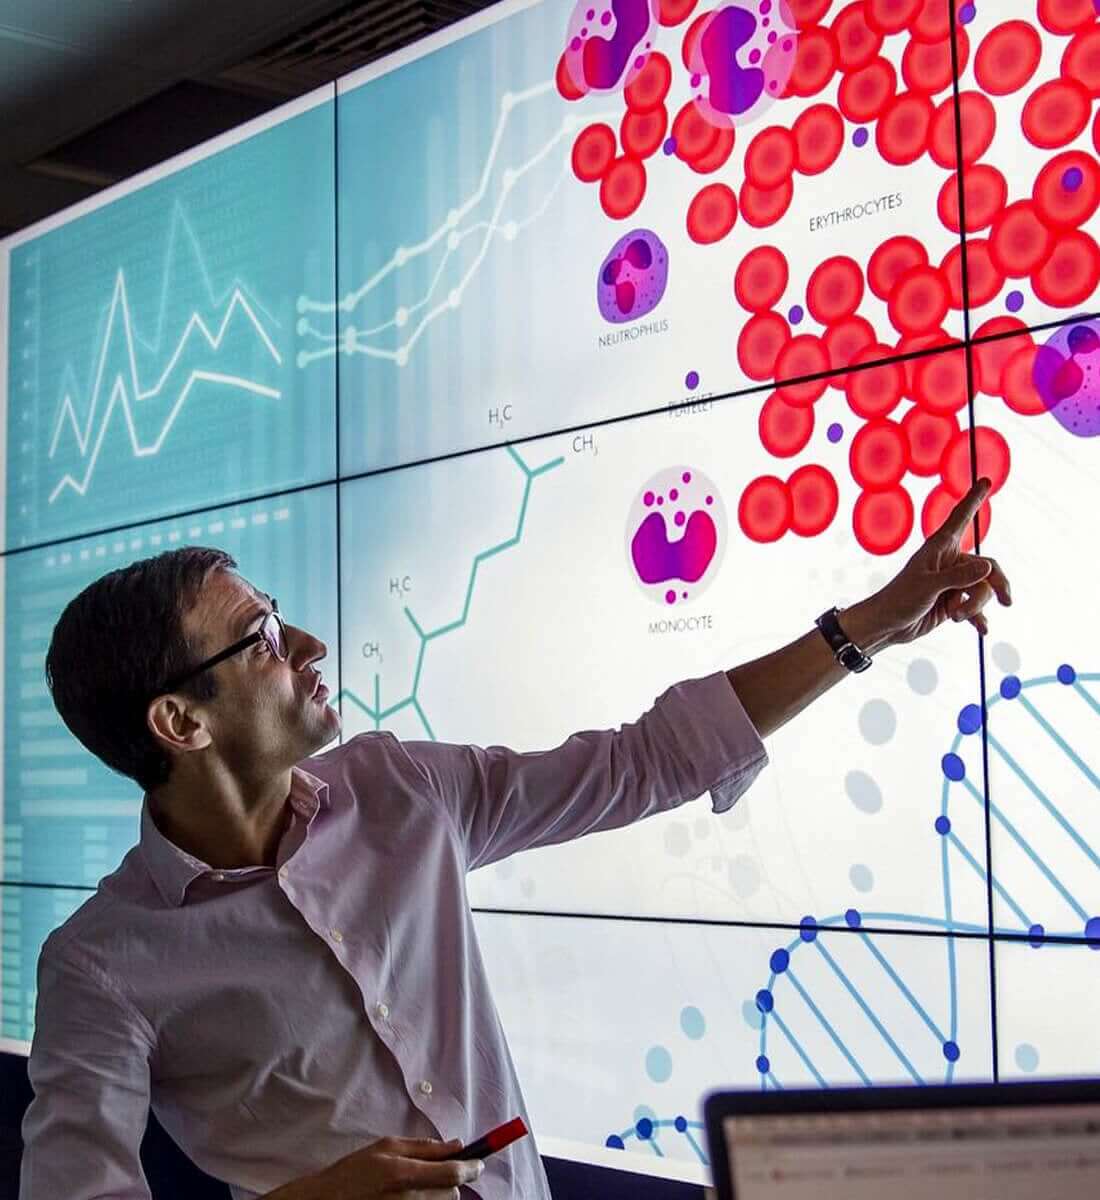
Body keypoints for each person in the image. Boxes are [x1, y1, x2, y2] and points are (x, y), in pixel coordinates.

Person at [19, 478, 1010, 1200]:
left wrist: (871, 623)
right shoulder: (101, 967)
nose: (310, 648)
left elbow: (648, 761)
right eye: (265, 641)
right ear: (181, 725)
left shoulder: (397, 788)